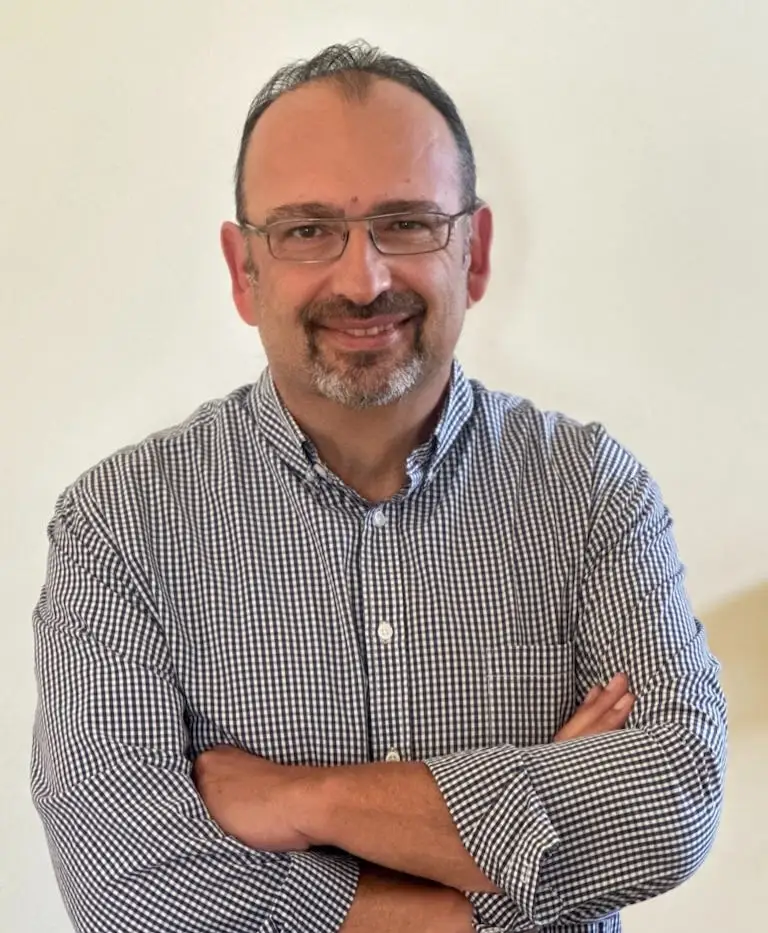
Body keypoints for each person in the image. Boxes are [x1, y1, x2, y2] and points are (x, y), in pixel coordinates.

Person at [31, 40, 726, 933]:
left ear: (473, 254)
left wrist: (306, 799)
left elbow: (674, 799)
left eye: (406, 222)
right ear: (246, 271)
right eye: (307, 230)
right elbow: (129, 891)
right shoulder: (117, 524)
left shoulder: (590, 489)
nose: (363, 279)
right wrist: (475, 901)